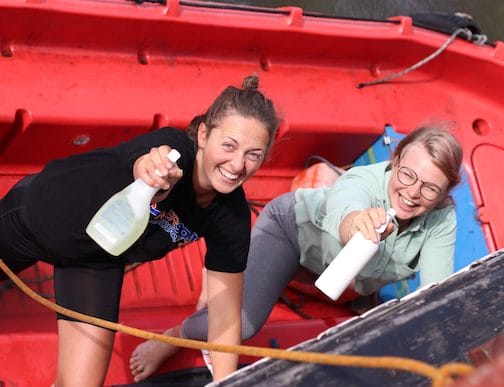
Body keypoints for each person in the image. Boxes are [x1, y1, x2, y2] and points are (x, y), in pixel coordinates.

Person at [0, 74, 280, 386]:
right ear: (203, 135)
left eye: (253, 154)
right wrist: (153, 175)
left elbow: (226, 317)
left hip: (95, 260)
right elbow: (147, 161)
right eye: (229, 145)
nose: (237, 164)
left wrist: (227, 383)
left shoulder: (232, 215)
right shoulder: (172, 151)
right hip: (40, 215)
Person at [129, 125, 463, 382]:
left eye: (430, 188)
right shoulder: (363, 181)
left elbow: (436, 295)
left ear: (444, 194)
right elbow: (346, 213)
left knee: (371, 319)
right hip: (292, 233)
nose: (412, 192)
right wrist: (359, 224)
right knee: (243, 321)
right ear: (396, 160)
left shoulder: (442, 218)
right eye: (407, 175)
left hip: (341, 279)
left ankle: (237, 278)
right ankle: (175, 335)